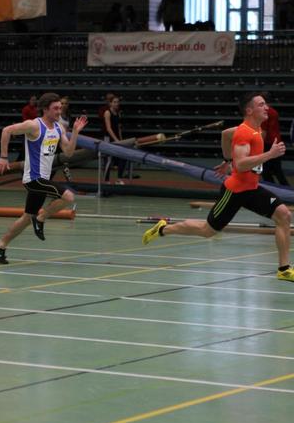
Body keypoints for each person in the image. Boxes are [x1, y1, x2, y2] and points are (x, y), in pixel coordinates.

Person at [142, 92, 294, 282]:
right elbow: (241, 165)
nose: (267, 108)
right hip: (234, 192)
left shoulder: (253, 129)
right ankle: (163, 229)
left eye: (266, 104)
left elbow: (225, 134)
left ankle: (284, 269)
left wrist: (226, 159)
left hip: (252, 189)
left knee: (283, 215)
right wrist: (269, 155)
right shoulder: (244, 133)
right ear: (249, 110)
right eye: (261, 105)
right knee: (207, 231)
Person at [0, 92, 88, 263]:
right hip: (33, 178)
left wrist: (75, 132)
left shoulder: (59, 128)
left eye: (60, 108)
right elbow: (7, 131)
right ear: (45, 109)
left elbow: (68, 152)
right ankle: (41, 218)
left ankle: (1, 244)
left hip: (43, 179)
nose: (59, 111)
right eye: (55, 108)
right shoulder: (34, 125)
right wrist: (4, 157)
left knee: (27, 217)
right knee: (68, 196)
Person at [260, 94, 289, 186]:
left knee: (266, 170)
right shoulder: (273, 111)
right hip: (276, 142)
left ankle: (272, 188)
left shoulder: (265, 112)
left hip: (269, 144)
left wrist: (258, 146)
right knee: (277, 170)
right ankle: (286, 189)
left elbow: (264, 131)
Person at [103, 95, 126, 184]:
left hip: (117, 139)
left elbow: (119, 128)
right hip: (108, 139)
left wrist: (121, 140)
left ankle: (119, 179)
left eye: (118, 102)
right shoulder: (107, 113)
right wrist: (116, 140)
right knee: (108, 160)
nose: (117, 104)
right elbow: (108, 128)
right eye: (114, 102)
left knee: (123, 157)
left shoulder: (118, 113)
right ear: (110, 103)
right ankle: (106, 181)